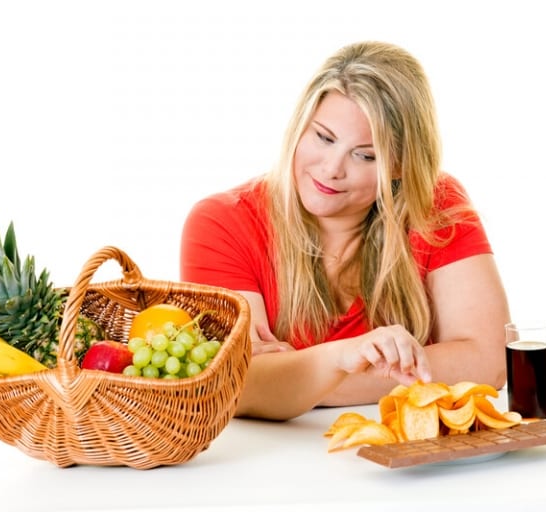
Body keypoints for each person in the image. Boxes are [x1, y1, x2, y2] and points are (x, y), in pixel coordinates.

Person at [180, 41, 510, 421]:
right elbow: (237, 383)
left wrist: (295, 379)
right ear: (299, 127)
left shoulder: (435, 204)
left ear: (401, 166)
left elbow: (491, 359)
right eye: (323, 137)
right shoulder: (222, 223)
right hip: (275, 465)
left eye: (366, 155)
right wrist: (344, 357)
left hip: (412, 461)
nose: (332, 169)